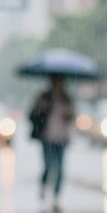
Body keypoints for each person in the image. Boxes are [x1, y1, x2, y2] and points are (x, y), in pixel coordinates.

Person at [29, 76, 75, 204]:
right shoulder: (45, 97)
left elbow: (72, 116)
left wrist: (68, 111)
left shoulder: (67, 98)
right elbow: (33, 114)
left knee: (60, 168)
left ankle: (56, 195)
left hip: (62, 138)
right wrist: (43, 107)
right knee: (48, 165)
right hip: (47, 137)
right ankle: (44, 186)